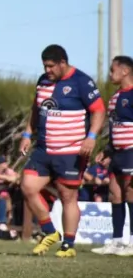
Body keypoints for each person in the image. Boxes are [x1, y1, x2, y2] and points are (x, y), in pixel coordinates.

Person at [21, 45, 105, 258]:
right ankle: (50, 231)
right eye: (45, 66)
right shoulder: (43, 81)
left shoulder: (82, 81)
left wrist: (91, 137)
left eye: (51, 66)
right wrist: (27, 134)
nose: (47, 70)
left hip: (71, 151)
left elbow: (98, 110)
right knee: (27, 186)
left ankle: (68, 245)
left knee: (68, 196)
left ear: (62, 63)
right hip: (43, 149)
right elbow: (35, 109)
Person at [93, 55, 133, 256]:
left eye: (112, 70)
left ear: (125, 71)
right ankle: (116, 241)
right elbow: (115, 128)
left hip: (131, 151)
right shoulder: (115, 97)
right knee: (114, 194)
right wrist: (107, 150)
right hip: (117, 153)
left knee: (131, 193)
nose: (110, 74)